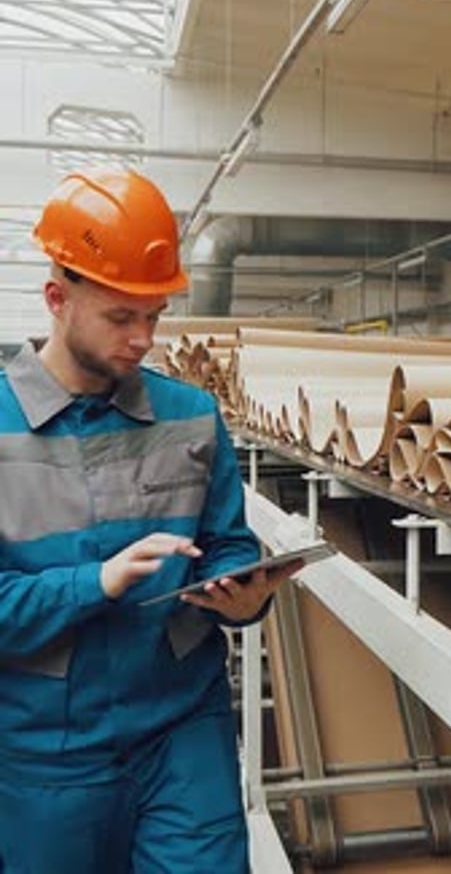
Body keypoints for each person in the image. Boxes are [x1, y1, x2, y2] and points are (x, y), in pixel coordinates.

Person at [0, 169, 301, 874]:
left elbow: (224, 544)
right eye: (120, 317)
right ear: (56, 299)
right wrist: (92, 583)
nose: (143, 338)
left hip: (181, 731)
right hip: (46, 754)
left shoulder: (192, 416)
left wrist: (242, 594)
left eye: (154, 316)